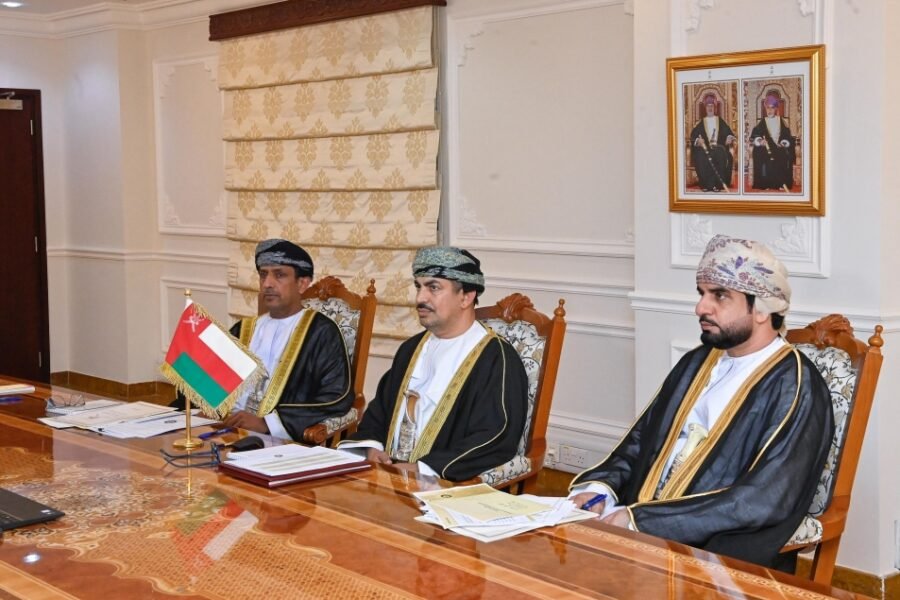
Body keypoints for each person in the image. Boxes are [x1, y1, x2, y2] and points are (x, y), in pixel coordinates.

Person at [569, 234, 833, 571]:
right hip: (637, 522)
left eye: (720, 296)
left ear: (761, 309)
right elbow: (640, 443)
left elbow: (763, 499)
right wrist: (599, 491)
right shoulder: (697, 362)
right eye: (702, 294)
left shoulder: (795, 385)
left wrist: (641, 521)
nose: (701, 308)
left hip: (717, 550)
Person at [338, 246, 528, 482]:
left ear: (466, 297)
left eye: (433, 287)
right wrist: (372, 447)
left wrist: (423, 468)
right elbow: (381, 410)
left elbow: (495, 437)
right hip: (385, 478)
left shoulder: (496, 358)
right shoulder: (411, 349)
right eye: (418, 287)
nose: (420, 298)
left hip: (446, 485)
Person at [221, 238, 352, 440]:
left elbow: (335, 398)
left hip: (280, 441)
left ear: (302, 284)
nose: (267, 284)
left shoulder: (321, 333)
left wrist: (267, 424)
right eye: (263, 275)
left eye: (279, 275)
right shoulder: (243, 329)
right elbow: (210, 383)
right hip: (225, 431)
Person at [689, 95, 736, 192]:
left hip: (718, 148)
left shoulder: (720, 121)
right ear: (705, 108)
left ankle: (717, 185)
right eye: (708, 106)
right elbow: (693, 136)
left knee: (719, 154)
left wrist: (729, 138)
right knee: (700, 155)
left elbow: (729, 133)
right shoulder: (701, 122)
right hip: (705, 149)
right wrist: (698, 141)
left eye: (712, 106)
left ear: (715, 108)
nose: (710, 108)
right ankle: (706, 184)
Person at [750, 93, 796, 191]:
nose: (770, 110)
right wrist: (760, 141)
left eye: (772, 108)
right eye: (768, 108)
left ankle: (781, 183)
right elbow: (755, 135)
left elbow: (787, 136)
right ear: (765, 108)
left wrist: (784, 142)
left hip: (779, 148)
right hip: (766, 149)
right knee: (761, 154)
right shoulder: (762, 122)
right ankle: (765, 183)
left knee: (783, 154)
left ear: (776, 109)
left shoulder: (782, 121)